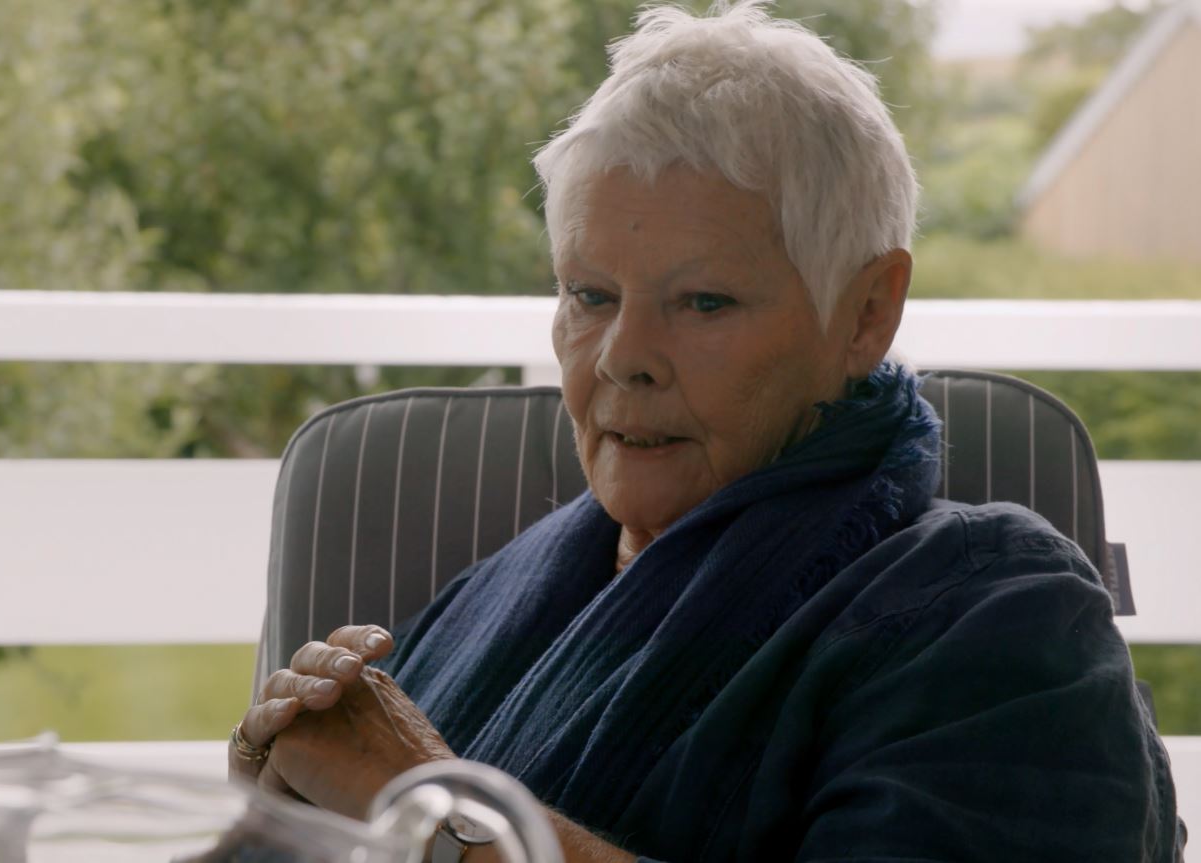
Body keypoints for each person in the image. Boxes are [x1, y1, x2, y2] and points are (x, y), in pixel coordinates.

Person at [228, 2, 1185, 860]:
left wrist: (432, 810)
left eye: (703, 302)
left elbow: (405, 792)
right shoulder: (496, 596)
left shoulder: (998, 621)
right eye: (589, 294)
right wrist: (281, 810)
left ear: (865, 313)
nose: (623, 358)